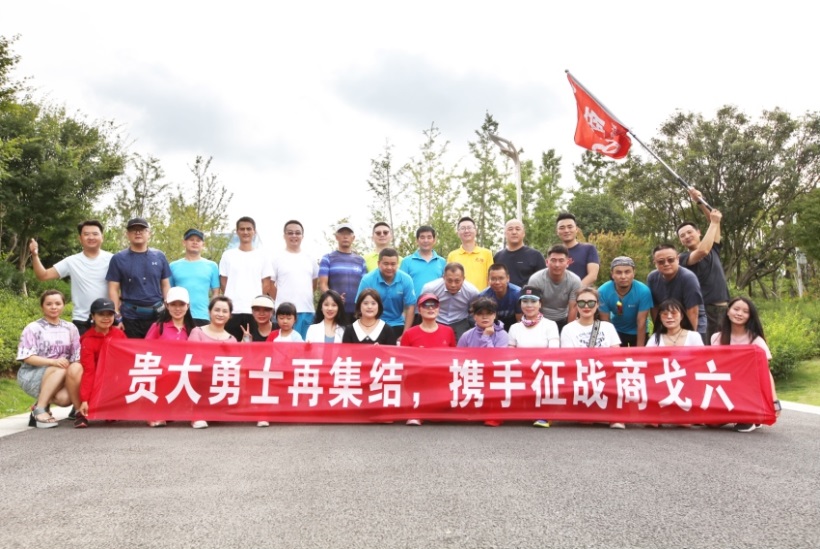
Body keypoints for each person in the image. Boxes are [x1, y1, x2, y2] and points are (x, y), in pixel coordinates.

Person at [29, 220, 112, 335]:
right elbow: (43, 275)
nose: (91, 237)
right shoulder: (72, 261)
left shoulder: (113, 259)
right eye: (86, 234)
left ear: (102, 237)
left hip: (107, 319)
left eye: (95, 234)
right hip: (82, 321)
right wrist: (35, 255)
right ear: (80, 238)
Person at [711, 297, 781, 433]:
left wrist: (774, 400)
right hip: (724, 388)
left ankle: (752, 415)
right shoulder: (716, 338)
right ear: (728, 311)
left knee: (742, 424)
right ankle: (744, 414)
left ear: (750, 316)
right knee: (712, 423)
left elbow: (766, 372)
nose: (739, 314)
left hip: (749, 390)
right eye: (736, 309)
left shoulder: (756, 340)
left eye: (745, 311)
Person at [16, 290, 82, 429]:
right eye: (49, 304)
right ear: (42, 307)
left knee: (66, 399)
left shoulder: (71, 328)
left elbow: (76, 358)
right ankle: (40, 409)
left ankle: (39, 404)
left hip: (61, 374)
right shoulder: (33, 328)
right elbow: (27, 357)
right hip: (32, 374)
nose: (54, 307)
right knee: (60, 368)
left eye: (58, 303)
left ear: (63, 305)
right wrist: (53, 362)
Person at [560, 286, 623, 429]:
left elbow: (616, 354)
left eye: (591, 303)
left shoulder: (608, 327)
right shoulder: (568, 329)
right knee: (585, 420)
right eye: (582, 303)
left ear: (597, 304)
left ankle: (615, 415)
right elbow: (568, 358)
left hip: (605, 372)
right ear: (576, 305)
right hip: (580, 373)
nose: (586, 306)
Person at [678, 187, 731, 344]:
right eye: (682, 236)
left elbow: (714, 222)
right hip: (704, 311)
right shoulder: (682, 258)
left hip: (724, 308)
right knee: (706, 349)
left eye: (690, 232)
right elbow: (702, 251)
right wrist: (714, 222)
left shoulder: (714, 248)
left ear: (699, 232)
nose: (687, 236)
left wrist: (700, 202)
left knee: (724, 348)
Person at [106, 217, 171, 339]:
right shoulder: (118, 259)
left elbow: (165, 285)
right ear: (127, 234)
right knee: (131, 350)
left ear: (149, 233)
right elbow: (113, 289)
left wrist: (169, 311)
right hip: (130, 317)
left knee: (156, 349)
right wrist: (116, 316)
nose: (137, 232)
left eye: (141, 230)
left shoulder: (159, 256)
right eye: (133, 230)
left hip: (157, 317)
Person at [401, 293, 456, 426]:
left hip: (441, 381)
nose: (431, 308)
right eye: (426, 305)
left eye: (434, 305)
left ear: (439, 308)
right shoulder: (409, 333)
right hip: (418, 381)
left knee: (440, 417)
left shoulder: (448, 331)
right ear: (419, 310)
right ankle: (416, 411)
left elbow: (454, 358)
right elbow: (403, 361)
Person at [508, 285, 560, 429]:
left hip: (543, 370)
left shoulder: (550, 325)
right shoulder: (514, 328)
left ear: (540, 304)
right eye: (525, 301)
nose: (529, 305)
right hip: (521, 370)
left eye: (533, 301)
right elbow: (510, 353)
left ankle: (544, 414)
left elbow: (554, 350)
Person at [188, 296, 240, 429]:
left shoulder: (232, 339)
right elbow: (193, 358)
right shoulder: (197, 332)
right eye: (217, 310)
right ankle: (197, 414)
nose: (220, 314)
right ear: (209, 312)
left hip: (221, 380)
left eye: (225, 311)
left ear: (230, 315)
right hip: (200, 377)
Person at [219, 217, 273, 341]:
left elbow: (266, 284)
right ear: (237, 231)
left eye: (249, 229)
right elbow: (223, 282)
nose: (245, 232)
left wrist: (257, 303)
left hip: (254, 311)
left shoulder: (263, 256)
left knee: (254, 347)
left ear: (254, 231)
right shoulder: (228, 255)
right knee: (230, 346)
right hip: (232, 311)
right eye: (242, 229)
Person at [77, 298, 127, 428]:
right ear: (93, 316)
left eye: (109, 314)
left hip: (115, 379)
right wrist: (85, 400)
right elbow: (89, 371)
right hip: (96, 379)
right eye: (101, 314)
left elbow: (126, 361)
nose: (106, 318)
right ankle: (81, 412)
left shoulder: (119, 335)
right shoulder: (88, 340)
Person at [271, 220, 319, 338]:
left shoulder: (310, 258)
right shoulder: (276, 258)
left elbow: (314, 283)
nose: (294, 236)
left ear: (302, 236)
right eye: (290, 233)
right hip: (284, 313)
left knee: (305, 346)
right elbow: (270, 285)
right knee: (283, 346)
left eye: (297, 233)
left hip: (306, 311)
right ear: (284, 236)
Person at [647, 244, 706, 338]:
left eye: (670, 260)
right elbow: (655, 307)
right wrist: (658, 331)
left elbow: (693, 312)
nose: (666, 264)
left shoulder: (688, 278)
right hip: (669, 323)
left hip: (694, 323)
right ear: (655, 263)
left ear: (678, 259)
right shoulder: (652, 278)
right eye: (661, 261)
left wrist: (689, 338)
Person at [356, 248, 416, 339]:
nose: (389, 267)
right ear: (379, 264)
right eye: (386, 264)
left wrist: (405, 334)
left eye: (393, 264)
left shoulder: (406, 280)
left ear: (398, 264)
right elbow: (359, 305)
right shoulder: (367, 280)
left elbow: (410, 306)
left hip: (396, 323)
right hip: (373, 323)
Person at [598, 256, 654, 347]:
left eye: (627, 272)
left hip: (638, 331)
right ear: (612, 274)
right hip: (616, 330)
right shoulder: (603, 291)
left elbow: (641, 322)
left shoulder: (643, 291)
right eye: (618, 272)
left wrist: (640, 349)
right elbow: (606, 322)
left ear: (633, 273)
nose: (623, 276)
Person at [169, 228, 220, 326]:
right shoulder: (173, 266)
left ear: (203, 244)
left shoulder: (212, 266)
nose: (195, 242)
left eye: (198, 240)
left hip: (203, 316)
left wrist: (213, 312)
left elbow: (216, 293)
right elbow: (168, 292)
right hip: (179, 316)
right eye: (191, 240)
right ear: (184, 242)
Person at [527, 245, 581, 332]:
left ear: (567, 263)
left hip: (563, 319)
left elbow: (573, 308)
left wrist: (569, 331)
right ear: (547, 262)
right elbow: (532, 306)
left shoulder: (575, 281)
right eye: (553, 260)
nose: (557, 265)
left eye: (561, 260)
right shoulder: (536, 279)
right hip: (541, 320)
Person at [420, 262, 478, 340]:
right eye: (449, 281)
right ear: (444, 277)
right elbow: (422, 308)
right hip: (436, 320)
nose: (453, 285)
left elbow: (474, 311)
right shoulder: (430, 288)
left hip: (460, 321)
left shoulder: (472, 292)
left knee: (462, 344)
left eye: (457, 281)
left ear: (463, 279)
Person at [319, 223, 367, 317]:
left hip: (357, 313)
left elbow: (365, 288)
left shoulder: (361, 261)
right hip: (335, 312)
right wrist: (334, 298)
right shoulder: (327, 258)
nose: (345, 236)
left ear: (353, 238)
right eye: (342, 233)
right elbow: (323, 285)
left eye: (348, 234)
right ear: (336, 237)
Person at [400, 225, 447, 302]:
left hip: (436, 306)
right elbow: (401, 286)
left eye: (429, 237)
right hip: (413, 307)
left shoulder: (442, 262)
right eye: (422, 237)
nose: (426, 240)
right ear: (417, 240)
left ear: (434, 240)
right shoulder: (407, 261)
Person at [494, 219, 545, 287]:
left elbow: (543, 281)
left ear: (523, 233)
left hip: (527, 293)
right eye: (510, 229)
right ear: (505, 233)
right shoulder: (498, 257)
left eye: (518, 229)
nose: (514, 232)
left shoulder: (536, 256)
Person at [447, 216, 494, 291]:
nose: (466, 231)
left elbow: (491, 278)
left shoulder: (487, 254)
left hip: (481, 297)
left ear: (475, 231)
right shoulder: (452, 255)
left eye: (469, 227)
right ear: (458, 233)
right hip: (459, 297)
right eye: (463, 228)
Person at [556, 212, 600, 286]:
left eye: (570, 227)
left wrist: (575, 290)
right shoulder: (554, 252)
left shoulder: (589, 249)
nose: (566, 230)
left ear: (576, 229)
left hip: (582, 292)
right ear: (557, 231)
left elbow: (592, 276)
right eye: (562, 228)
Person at [478, 263, 521, 331]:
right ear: (488, 280)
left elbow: (520, 322)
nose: (497, 282)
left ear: (508, 278)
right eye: (493, 279)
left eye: (501, 278)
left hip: (514, 325)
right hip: (494, 326)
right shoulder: (484, 296)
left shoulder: (517, 293)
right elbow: (486, 322)